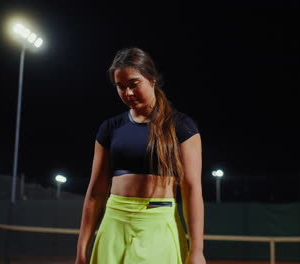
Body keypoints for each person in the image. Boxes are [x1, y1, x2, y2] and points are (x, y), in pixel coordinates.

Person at [75, 47, 206, 264]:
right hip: (113, 223)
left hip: (158, 225)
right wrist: (81, 249)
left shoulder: (181, 126)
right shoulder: (110, 128)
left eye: (134, 84)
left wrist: (197, 250)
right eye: (121, 87)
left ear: (152, 79)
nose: (128, 93)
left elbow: (192, 190)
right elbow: (95, 193)